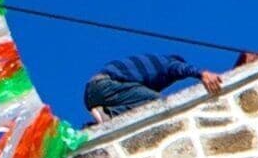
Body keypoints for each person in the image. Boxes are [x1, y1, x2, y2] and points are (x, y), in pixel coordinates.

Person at [84, 50, 213, 118]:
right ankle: (108, 113)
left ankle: (101, 120)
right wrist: (201, 74)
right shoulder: (169, 63)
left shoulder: (150, 69)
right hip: (105, 85)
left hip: (93, 91)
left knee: (142, 99)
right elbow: (180, 68)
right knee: (156, 101)